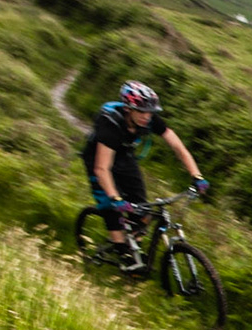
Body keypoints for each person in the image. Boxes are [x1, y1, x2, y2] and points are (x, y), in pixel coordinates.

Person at [81, 80, 210, 273]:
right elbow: (102, 169)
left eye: (150, 112)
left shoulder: (150, 120)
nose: (146, 116)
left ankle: (133, 248)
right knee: (110, 204)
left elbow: (178, 147)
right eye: (141, 111)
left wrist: (196, 175)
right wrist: (115, 198)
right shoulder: (111, 124)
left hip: (124, 157)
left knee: (142, 209)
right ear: (128, 109)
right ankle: (122, 251)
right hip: (98, 160)